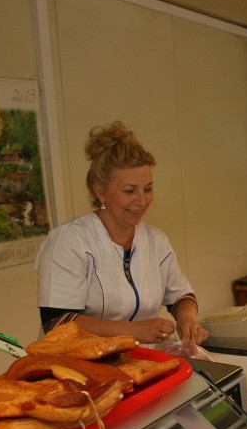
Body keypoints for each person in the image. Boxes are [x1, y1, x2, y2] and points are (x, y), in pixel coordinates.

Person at [34, 121, 208, 351]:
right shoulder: (68, 241)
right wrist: (134, 330)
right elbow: (56, 323)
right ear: (100, 192)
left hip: (139, 363)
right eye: (129, 191)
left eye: (147, 189)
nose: (141, 200)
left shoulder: (156, 240)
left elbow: (180, 296)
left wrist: (187, 318)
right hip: (79, 366)